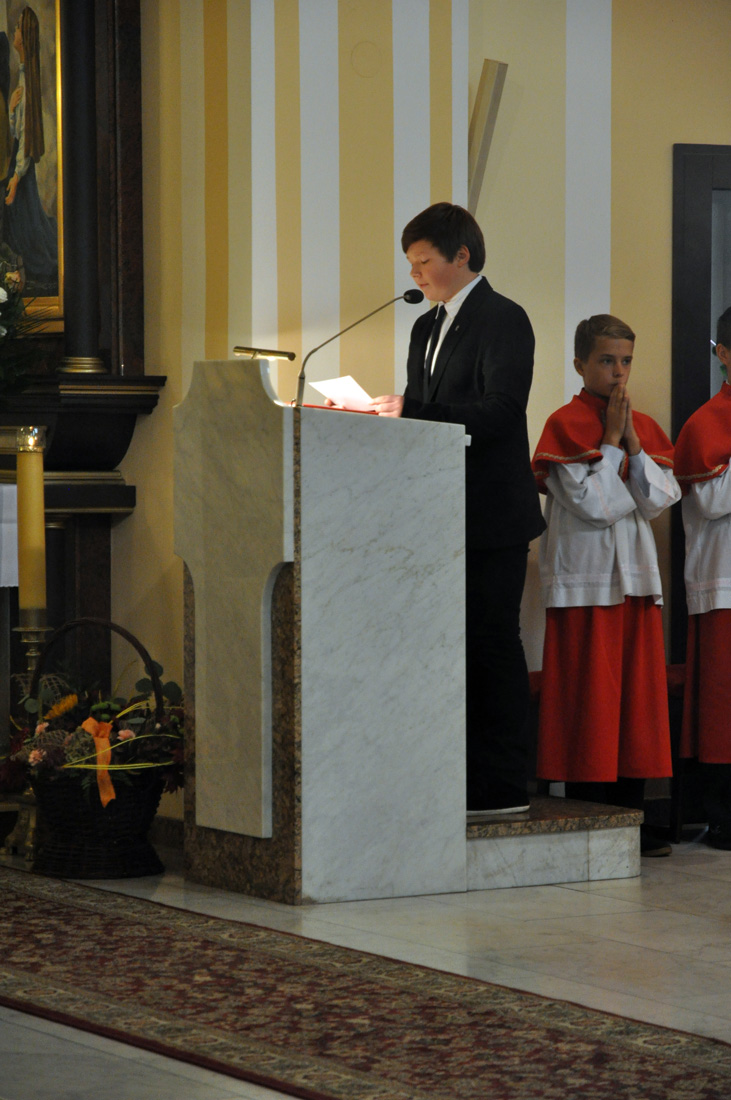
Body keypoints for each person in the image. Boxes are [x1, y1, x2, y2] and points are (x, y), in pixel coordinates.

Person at [371, 202, 545, 816]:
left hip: (492, 516)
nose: (415, 274)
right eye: (411, 264)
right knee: (448, 647)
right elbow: (420, 416)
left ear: (461, 255)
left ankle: (502, 785)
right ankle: (453, 774)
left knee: (491, 642)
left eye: (424, 261)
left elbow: (502, 412)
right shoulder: (426, 327)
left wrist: (413, 413)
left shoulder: (504, 318)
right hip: (437, 516)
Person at [531, 314, 680, 855]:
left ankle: (631, 821)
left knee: (635, 704)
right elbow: (593, 505)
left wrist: (634, 444)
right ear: (580, 364)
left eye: (626, 361)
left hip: (634, 581)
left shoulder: (642, 427)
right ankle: (591, 818)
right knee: (589, 700)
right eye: (606, 361)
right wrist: (612, 442)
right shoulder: (564, 423)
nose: (618, 372)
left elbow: (659, 499)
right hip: (585, 582)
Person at [674, 306, 731, 850]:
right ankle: (723, 817)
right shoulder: (706, 421)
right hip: (724, 581)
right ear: (724, 354)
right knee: (723, 704)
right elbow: (712, 501)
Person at [5, 6, 57, 293]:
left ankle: (32, 273)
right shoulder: (24, 77)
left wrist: (15, 178)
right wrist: (12, 109)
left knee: (26, 228)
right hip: (20, 162)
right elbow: (17, 131)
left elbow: (25, 141)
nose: (14, 32)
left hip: (21, 166)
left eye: (17, 29)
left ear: (24, 38)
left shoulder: (27, 81)